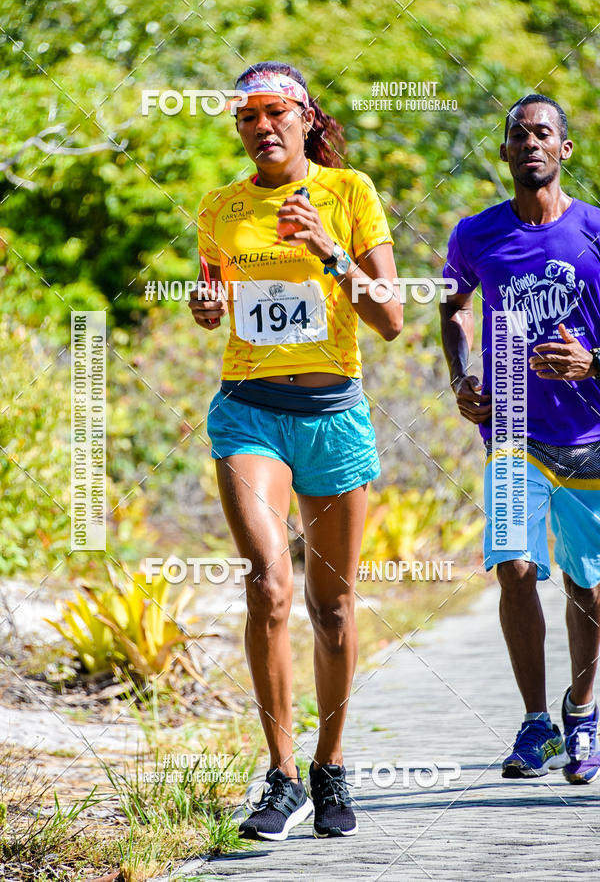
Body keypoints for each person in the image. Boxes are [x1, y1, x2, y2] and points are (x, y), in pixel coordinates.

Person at [188, 61, 402, 839]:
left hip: (334, 416)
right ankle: (281, 776)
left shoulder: (350, 193)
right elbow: (214, 300)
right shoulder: (220, 207)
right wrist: (207, 305)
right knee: (270, 585)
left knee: (334, 605)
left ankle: (331, 767)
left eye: (275, 111)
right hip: (249, 412)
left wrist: (330, 252)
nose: (261, 126)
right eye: (246, 116)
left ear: (307, 116)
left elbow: (391, 320)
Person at [440, 93, 600, 782]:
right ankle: (536, 722)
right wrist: (461, 375)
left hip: (591, 431)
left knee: (587, 587)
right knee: (515, 566)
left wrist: (595, 362)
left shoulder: (595, 229)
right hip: (511, 428)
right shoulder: (476, 234)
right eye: (518, 134)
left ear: (564, 150)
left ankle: (582, 712)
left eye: (544, 133)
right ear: (504, 152)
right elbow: (450, 305)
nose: (530, 142)